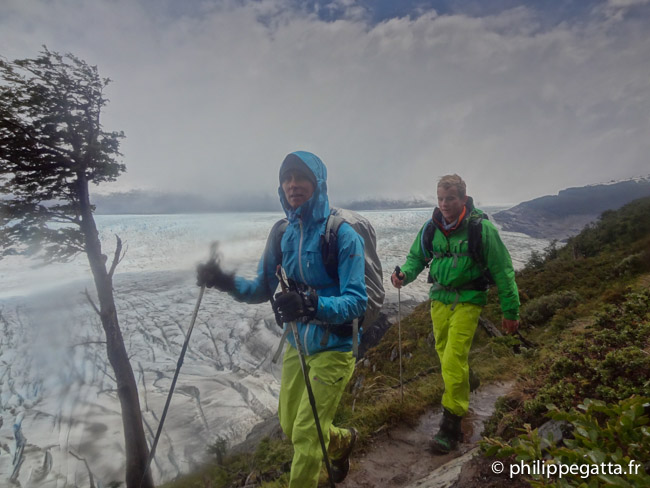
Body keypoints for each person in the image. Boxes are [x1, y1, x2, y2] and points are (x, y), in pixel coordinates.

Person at [197, 151, 367, 487]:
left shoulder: (342, 235)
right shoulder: (282, 234)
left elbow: (356, 302)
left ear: (316, 183)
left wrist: (311, 304)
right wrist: (225, 281)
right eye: (287, 178)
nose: (293, 184)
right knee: (291, 426)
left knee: (306, 433)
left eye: (300, 177)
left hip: (335, 347)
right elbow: (262, 287)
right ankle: (342, 442)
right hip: (297, 345)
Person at [391, 174, 519, 454]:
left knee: (452, 358)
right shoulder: (431, 227)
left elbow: (503, 271)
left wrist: (511, 310)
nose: (444, 204)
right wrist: (404, 276)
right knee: (443, 351)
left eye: (450, 198)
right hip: (440, 298)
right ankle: (468, 379)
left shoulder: (481, 230)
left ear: (463, 198)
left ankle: (451, 425)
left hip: (469, 299)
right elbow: (416, 258)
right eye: (440, 198)